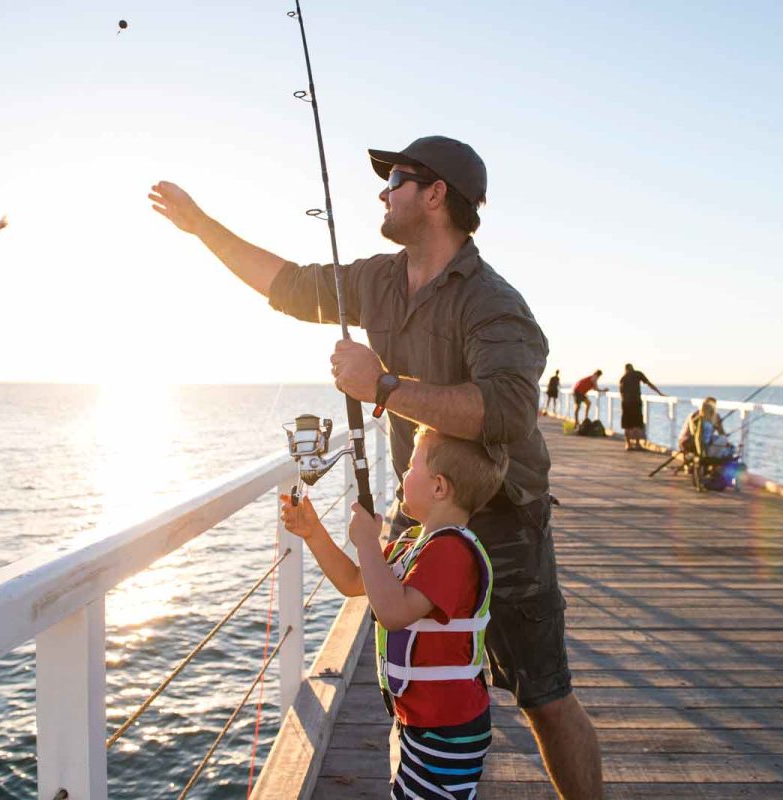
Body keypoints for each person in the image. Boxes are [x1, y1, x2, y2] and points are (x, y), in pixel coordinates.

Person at [150, 134, 603, 798]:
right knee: (412, 680)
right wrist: (200, 227)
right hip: (422, 517)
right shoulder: (378, 280)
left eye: (396, 180)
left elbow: (507, 410)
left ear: (435, 195)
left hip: (504, 521)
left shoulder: (493, 303)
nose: (383, 192)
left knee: (543, 696)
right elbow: (291, 285)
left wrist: (384, 387)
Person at [281, 426, 506, 798]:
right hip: (420, 720)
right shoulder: (413, 544)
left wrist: (368, 540)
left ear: (438, 487)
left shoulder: (451, 553)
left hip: (446, 728)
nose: (403, 473)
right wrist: (313, 532)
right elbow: (355, 581)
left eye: (412, 466)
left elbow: (393, 612)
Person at [619, 363, 664, 451]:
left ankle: (628, 445)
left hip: (625, 403)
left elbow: (621, 392)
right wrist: (659, 393)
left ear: (626, 369)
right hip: (635, 402)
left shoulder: (623, 378)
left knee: (627, 425)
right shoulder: (638, 374)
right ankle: (638, 444)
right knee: (637, 424)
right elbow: (649, 383)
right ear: (633, 368)